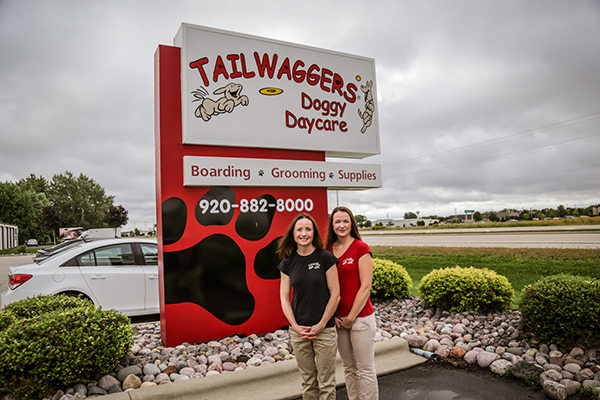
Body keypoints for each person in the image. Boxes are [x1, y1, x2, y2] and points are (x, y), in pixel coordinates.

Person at [278, 213, 340, 400]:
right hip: (300, 332)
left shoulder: (325, 258)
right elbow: (284, 298)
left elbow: (335, 295)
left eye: (308, 229)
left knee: (326, 382)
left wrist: (321, 324)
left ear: (314, 233)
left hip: (324, 330)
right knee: (308, 381)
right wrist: (295, 327)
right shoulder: (287, 262)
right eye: (299, 229)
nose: (303, 233)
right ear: (293, 234)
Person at [325, 206, 378, 400]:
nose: (342, 225)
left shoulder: (361, 248)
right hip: (338, 320)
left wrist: (350, 318)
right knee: (349, 368)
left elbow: (365, 287)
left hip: (360, 318)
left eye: (345, 221)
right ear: (332, 225)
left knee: (365, 369)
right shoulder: (328, 250)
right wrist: (335, 316)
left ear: (352, 224)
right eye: (337, 221)